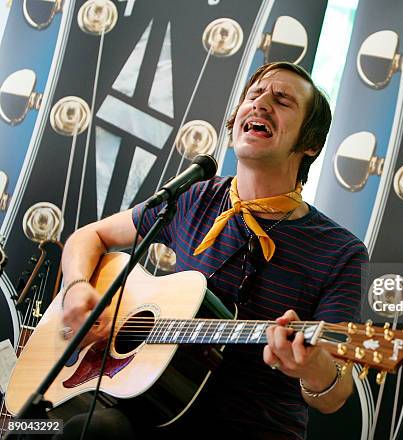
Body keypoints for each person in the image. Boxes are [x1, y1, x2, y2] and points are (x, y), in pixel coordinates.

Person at [59, 62, 368, 439]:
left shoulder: (341, 251)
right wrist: (77, 288)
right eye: (254, 95)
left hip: (255, 428)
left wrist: (310, 367)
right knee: (86, 430)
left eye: (282, 100)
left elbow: (334, 393)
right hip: (155, 408)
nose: (261, 103)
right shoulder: (194, 196)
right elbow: (89, 237)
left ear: (311, 144)